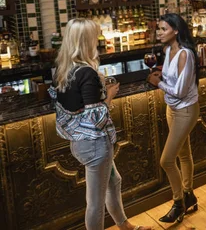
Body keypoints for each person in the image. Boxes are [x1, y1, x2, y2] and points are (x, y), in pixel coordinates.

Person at [51, 18, 151, 230]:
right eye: (94, 37)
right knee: (95, 203)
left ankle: (125, 226)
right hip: (95, 144)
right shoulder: (87, 72)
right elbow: (94, 118)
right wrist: (110, 95)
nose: (98, 40)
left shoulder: (64, 69)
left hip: (78, 143)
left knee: (114, 181)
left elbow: (72, 106)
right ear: (86, 41)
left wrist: (99, 89)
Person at [147, 13, 200, 223]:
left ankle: (179, 203)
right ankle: (189, 194)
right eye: (158, 29)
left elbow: (179, 91)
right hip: (172, 109)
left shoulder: (185, 54)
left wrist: (157, 83)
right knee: (183, 155)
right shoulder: (167, 50)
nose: (159, 32)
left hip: (186, 110)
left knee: (166, 160)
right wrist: (161, 76)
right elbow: (173, 79)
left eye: (163, 29)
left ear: (176, 31)